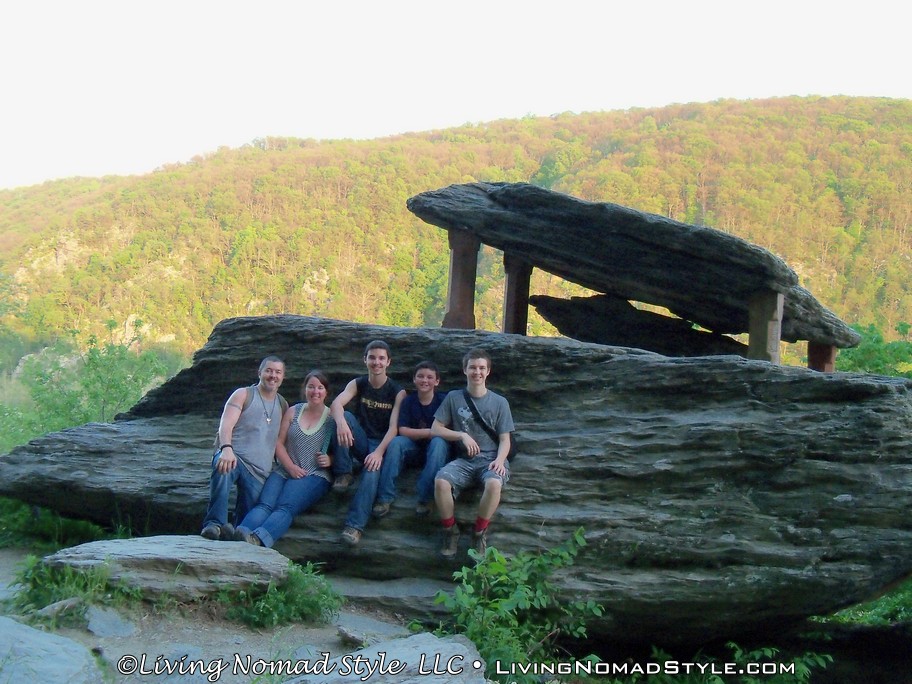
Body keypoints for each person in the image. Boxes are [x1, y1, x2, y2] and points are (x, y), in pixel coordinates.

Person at [340, 360, 449, 546]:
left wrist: (438, 434)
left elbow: (446, 430)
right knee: (397, 443)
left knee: (439, 443)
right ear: (414, 379)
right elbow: (402, 430)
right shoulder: (408, 401)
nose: (425, 380)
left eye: (430, 377)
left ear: (437, 381)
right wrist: (432, 432)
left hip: (434, 452)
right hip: (410, 448)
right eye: (420, 376)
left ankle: (426, 498)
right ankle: (383, 497)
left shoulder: (444, 400)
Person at [233, 370, 335, 547]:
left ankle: (258, 539)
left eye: (320, 388)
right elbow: (278, 443)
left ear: (326, 392)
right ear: (304, 389)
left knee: (285, 507)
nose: (315, 392)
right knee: (264, 504)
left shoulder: (332, 417)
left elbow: (341, 450)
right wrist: (290, 467)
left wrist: (331, 460)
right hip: (285, 470)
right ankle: (239, 532)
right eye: (311, 387)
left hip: (313, 474)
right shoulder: (293, 411)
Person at [431, 347, 514, 559]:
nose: (477, 372)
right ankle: (450, 530)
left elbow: (505, 439)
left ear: (488, 372)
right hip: (465, 460)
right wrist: (461, 435)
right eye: (472, 368)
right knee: (441, 481)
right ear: (464, 370)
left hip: (492, 459)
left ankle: (479, 532)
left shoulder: (499, 402)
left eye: (481, 368)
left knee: (494, 483)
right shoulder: (454, 397)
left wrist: (500, 460)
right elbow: (435, 428)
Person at [200, 356, 287, 540]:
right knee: (222, 467)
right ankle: (214, 525)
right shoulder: (244, 394)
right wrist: (226, 448)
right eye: (269, 371)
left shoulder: (283, 405)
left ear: (283, 377)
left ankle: (232, 535)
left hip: (259, 471)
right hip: (234, 457)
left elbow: (284, 440)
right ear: (260, 373)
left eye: (278, 372)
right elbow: (226, 424)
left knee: (246, 520)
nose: (273, 376)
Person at [330, 340, 406, 499]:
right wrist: (341, 423)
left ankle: (355, 523)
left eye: (381, 358)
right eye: (372, 358)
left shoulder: (397, 391)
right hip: (361, 439)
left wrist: (378, 453)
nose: (376, 362)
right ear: (365, 359)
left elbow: (394, 428)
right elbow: (336, 404)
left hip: (382, 444)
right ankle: (344, 473)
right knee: (344, 416)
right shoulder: (358, 383)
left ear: (388, 362)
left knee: (371, 474)